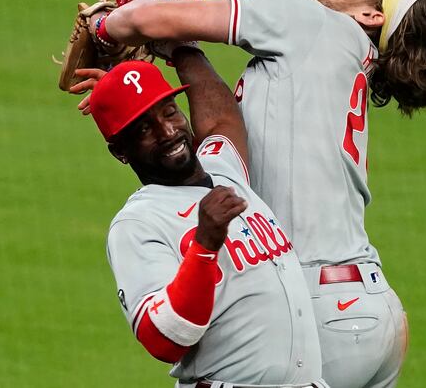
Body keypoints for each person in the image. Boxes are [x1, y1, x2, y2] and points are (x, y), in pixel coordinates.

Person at [75, 0, 426, 388]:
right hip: (370, 309)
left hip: (315, 308)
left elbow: (149, 18)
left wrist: (104, 26)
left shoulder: (308, 20)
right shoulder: (347, 58)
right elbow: (220, 127)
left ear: (371, 15)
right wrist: (136, 97)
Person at [86, 51, 327, 388]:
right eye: (145, 129)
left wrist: (182, 45)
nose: (168, 131)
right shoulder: (138, 223)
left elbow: (221, 120)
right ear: (121, 151)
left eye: (169, 112)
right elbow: (162, 340)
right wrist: (205, 244)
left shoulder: (223, 166)